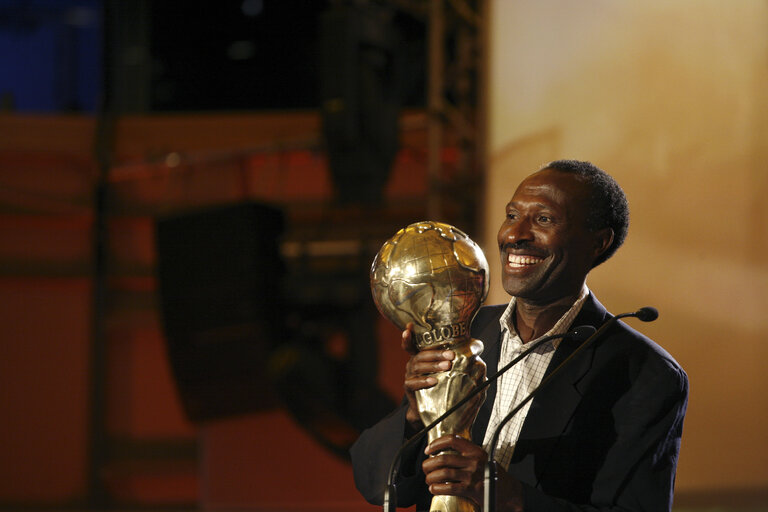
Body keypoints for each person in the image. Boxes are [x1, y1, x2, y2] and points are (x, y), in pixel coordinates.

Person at [350, 160, 688, 511]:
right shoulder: (464, 333)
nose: (515, 235)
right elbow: (375, 484)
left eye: (543, 219)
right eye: (512, 215)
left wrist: (509, 496)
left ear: (598, 243)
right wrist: (416, 415)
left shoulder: (645, 373)